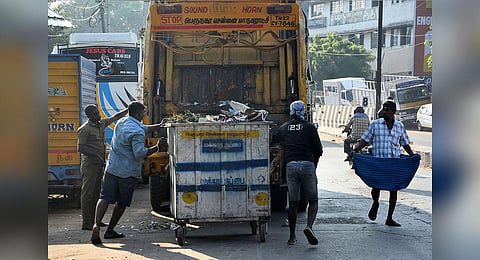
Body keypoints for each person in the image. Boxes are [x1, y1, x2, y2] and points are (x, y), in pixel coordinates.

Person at [90, 101, 165, 244]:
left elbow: (142, 127)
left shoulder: (122, 122)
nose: (145, 114)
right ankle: (110, 230)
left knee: (104, 197)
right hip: (127, 172)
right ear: (138, 114)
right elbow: (139, 153)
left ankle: (96, 225)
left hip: (112, 168)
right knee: (121, 203)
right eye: (144, 112)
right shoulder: (137, 132)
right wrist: (157, 147)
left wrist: (157, 126)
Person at [354, 100, 414, 227]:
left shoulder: (399, 126)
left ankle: (389, 218)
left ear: (393, 112)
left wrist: (412, 156)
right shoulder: (375, 125)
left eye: (387, 110)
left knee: (394, 189)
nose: (385, 111)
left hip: (394, 162)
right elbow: (365, 140)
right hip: (379, 162)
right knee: (376, 187)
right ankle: (375, 202)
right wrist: (355, 150)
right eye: (384, 109)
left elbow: (405, 143)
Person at [272, 100, 323, 245]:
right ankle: (309, 226)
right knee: (313, 201)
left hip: (291, 166)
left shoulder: (284, 127)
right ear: (304, 112)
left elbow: (275, 142)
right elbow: (318, 150)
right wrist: (314, 165)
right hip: (307, 164)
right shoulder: (310, 128)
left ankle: (292, 237)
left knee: (293, 202)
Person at [77, 105, 128, 231]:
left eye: (97, 112)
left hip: (99, 164)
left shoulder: (101, 124)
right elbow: (81, 148)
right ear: (89, 116)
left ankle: (96, 221)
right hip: (90, 164)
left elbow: (116, 117)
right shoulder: (85, 129)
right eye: (94, 114)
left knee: (96, 193)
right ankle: (86, 222)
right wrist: (96, 156)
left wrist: (128, 109)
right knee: (87, 193)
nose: (98, 115)